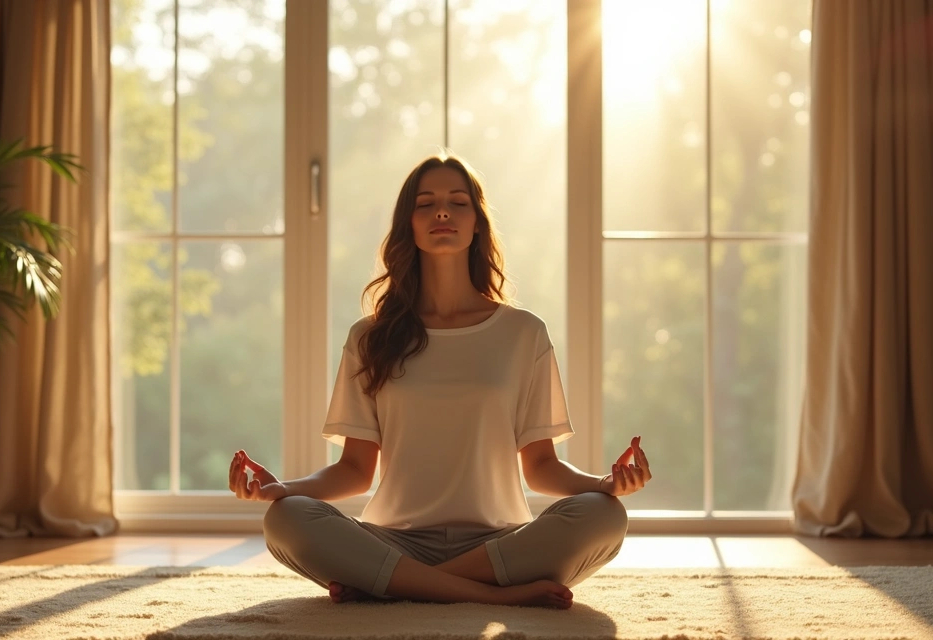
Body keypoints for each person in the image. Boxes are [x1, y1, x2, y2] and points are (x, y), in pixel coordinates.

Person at [227, 153, 652, 609]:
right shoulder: (369, 337)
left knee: (603, 515)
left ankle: (396, 586)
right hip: (395, 542)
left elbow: (541, 467)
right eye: (426, 203)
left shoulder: (523, 333)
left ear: (477, 224)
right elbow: (354, 471)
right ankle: (491, 597)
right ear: (408, 225)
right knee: (286, 519)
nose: (442, 212)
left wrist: (605, 483)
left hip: (500, 545)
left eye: (457, 202)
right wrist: (284, 489)